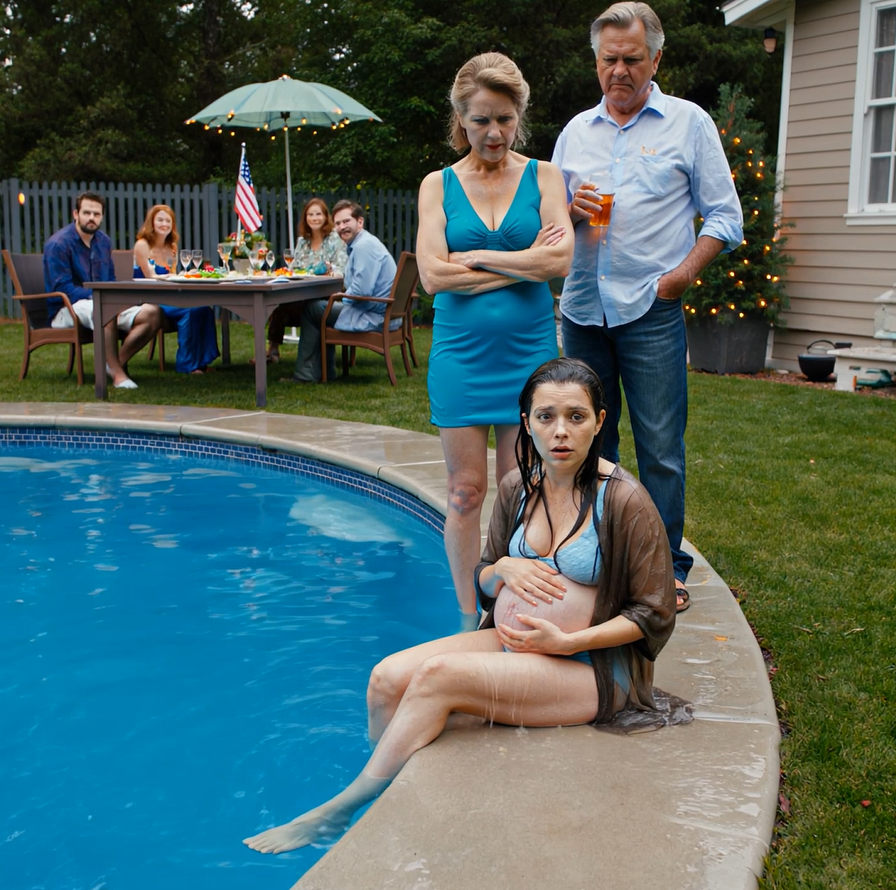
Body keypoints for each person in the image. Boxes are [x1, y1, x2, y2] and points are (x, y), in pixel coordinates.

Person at [242, 357, 676, 855]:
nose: (560, 431)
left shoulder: (624, 501)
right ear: (526, 422)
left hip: (590, 668)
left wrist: (567, 640)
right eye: (545, 416)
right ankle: (387, 783)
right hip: (513, 644)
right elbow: (486, 577)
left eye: (576, 417)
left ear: (599, 422)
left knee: (438, 676)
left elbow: (654, 614)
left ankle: (341, 809)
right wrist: (505, 569)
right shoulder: (519, 488)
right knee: (385, 678)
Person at [551, 2, 743, 613]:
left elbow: (726, 216)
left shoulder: (688, 124)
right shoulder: (575, 133)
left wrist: (682, 276)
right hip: (582, 311)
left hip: (651, 309)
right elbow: (548, 221)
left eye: (633, 59)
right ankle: (599, 561)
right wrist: (569, 213)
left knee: (660, 447)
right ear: (597, 62)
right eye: (609, 60)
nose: (620, 71)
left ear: (656, 58)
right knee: (588, 446)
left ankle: (664, 571)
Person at [416, 52, 573, 631]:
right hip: (460, 356)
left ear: (518, 117)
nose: (494, 133)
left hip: (528, 356)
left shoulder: (545, 177)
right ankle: (466, 616)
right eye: (481, 120)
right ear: (462, 118)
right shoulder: (437, 185)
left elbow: (561, 260)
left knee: (519, 489)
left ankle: (510, 608)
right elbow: (433, 275)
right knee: (464, 492)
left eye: (505, 119)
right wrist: (523, 263)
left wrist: (478, 257)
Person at [43, 191, 162, 389]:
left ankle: (114, 364)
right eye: (87, 213)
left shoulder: (103, 241)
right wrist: (102, 297)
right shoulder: (58, 244)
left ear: (102, 217)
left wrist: (115, 297)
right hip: (65, 308)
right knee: (104, 310)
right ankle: (117, 375)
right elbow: (62, 288)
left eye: (96, 214)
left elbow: (110, 279)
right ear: (76, 214)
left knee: (152, 313)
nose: (91, 218)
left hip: (100, 302)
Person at [282, 200, 396, 384]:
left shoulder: (363, 246)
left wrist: (340, 300)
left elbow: (362, 290)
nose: (342, 227)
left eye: (346, 221)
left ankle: (306, 374)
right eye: (337, 223)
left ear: (360, 222)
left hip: (372, 314)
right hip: (381, 310)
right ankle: (324, 370)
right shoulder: (364, 243)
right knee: (320, 307)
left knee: (312, 309)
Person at [132, 204, 220, 374]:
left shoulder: (171, 246)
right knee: (190, 312)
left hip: (168, 295)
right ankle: (186, 365)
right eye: (160, 220)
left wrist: (187, 274)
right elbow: (149, 277)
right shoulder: (142, 245)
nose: (164, 224)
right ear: (151, 222)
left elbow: (172, 275)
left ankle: (202, 362)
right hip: (148, 298)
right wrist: (176, 277)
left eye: (168, 220)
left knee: (205, 309)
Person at [263, 198, 347, 363]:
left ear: (325, 217)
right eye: (310, 214)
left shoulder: (335, 240)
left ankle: (311, 358)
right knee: (277, 302)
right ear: (305, 218)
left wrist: (329, 270)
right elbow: (294, 268)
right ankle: (272, 350)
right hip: (301, 292)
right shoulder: (302, 242)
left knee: (304, 305)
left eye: (318, 214)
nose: (314, 218)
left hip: (325, 295)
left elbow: (342, 270)